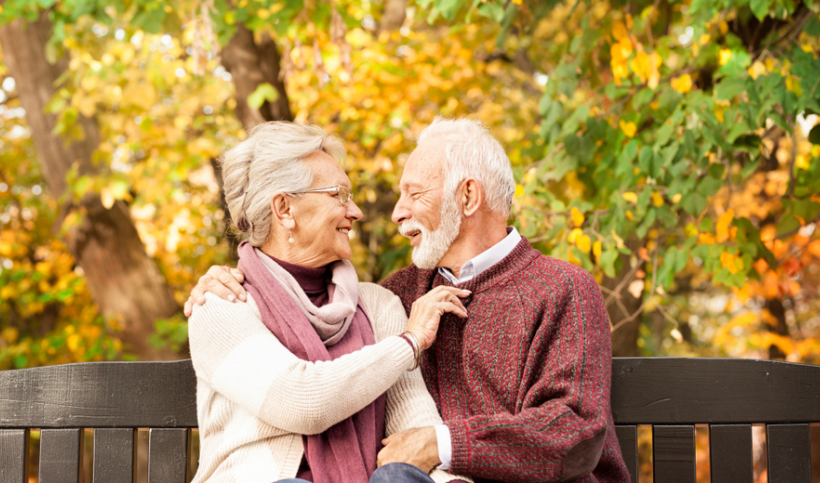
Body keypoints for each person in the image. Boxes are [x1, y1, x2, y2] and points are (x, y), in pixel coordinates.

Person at [186, 117, 631, 483]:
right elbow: (328, 386)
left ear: (468, 196)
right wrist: (220, 279)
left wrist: (442, 444)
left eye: (413, 194)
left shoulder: (561, 289)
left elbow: (574, 430)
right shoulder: (399, 294)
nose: (393, 212)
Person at [186, 121, 473, 483]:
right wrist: (409, 343)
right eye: (339, 194)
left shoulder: (379, 304)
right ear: (284, 209)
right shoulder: (223, 304)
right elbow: (300, 401)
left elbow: (413, 428)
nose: (356, 212)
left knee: (398, 477)